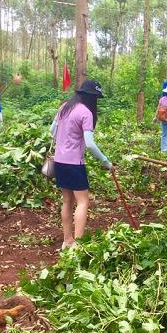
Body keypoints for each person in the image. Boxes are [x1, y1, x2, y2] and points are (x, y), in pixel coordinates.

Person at [50, 80, 112, 250]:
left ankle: (67, 240)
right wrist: (105, 161)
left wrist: (64, 143)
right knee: (83, 201)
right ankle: (78, 243)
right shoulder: (85, 113)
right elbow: (90, 144)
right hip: (74, 163)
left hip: (59, 161)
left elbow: (52, 131)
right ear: (92, 97)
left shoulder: (65, 107)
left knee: (67, 201)